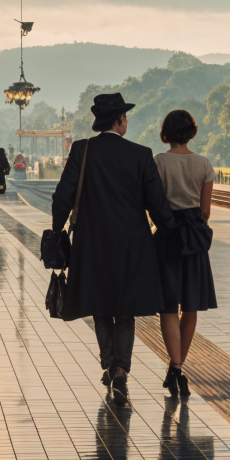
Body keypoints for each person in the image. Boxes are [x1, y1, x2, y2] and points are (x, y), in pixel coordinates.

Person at [51, 92, 173, 400]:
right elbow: (156, 203)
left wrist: (57, 229)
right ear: (119, 121)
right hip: (133, 243)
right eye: (126, 118)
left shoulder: (82, 149)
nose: (127, 122)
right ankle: (121, 371)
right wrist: (172, 229)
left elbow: (63, 195)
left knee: (101, 307)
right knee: (126, 310)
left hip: (91, 242)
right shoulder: (141, 154)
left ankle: (108, 364)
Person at [152, 109, 217, 399]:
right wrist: (195, 226)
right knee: (189, 307)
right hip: (193, 239)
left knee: (168, 306)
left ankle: (175, 368)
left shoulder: (158, 162)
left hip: (166, 238)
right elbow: (205, 211)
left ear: (166, 132)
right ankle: (177, 367)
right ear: (192, 131)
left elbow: (153, 204)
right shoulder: (204, 164)